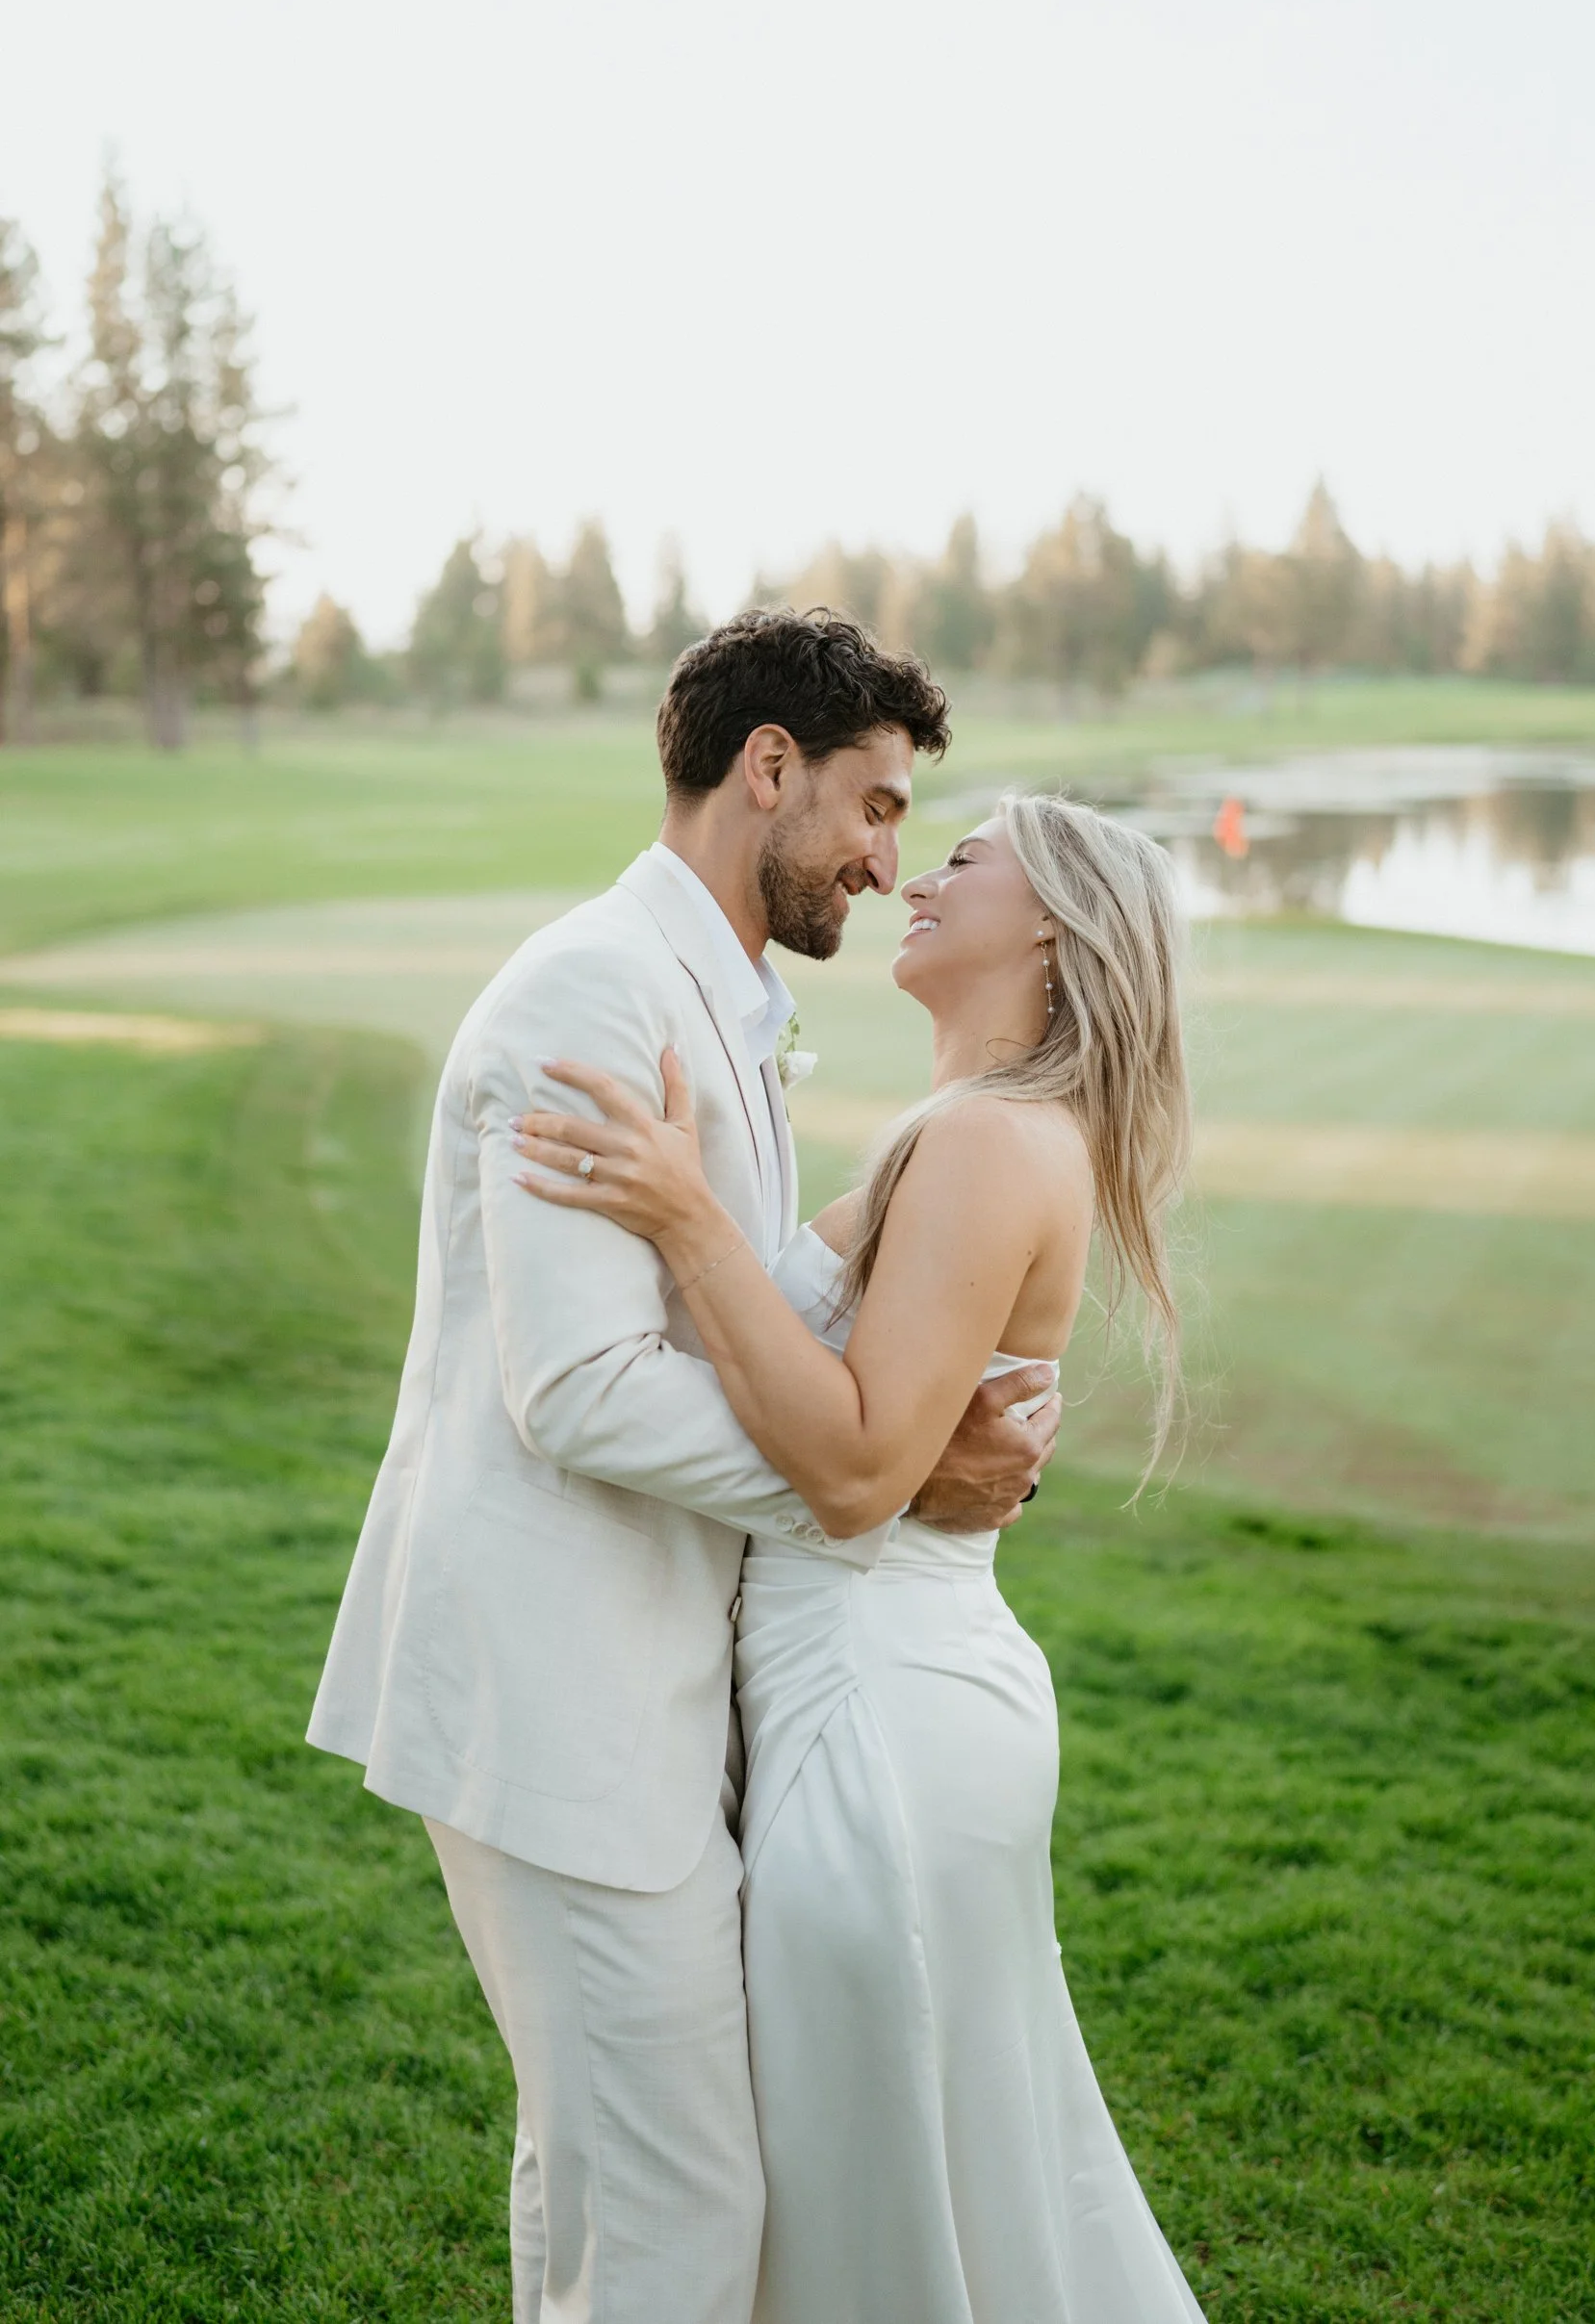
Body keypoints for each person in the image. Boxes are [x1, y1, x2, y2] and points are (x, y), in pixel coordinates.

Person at [306, 608, 1060, 2324]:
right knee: (670, 2213)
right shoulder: (594, 987)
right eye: (871, 808)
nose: (883, 861)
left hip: (644, 1689)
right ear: (767, 768)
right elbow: (577, 1385)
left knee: (617, 2187)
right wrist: (871, 1473)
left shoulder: (715, 994)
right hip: (555, 1688)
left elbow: (720, 1300)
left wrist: (890, 1330)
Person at [514, 790, 1209, 2322]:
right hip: (871, 1697)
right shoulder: (962, 1132)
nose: (914, 872)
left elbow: (847, 1469)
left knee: (864, 2202)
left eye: (963, 857)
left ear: (1051, 924)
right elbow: (827, 1394)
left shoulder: (982, 1140)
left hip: (878, 1720)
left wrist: (691, 1226)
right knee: (923, 2171)